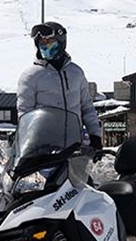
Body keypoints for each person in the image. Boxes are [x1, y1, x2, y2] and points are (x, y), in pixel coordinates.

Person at [17, 21, 103, 150]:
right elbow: (24, 113)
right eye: (42, 42)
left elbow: (87, 107)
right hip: (44, 146)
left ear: (61, 42)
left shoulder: (76, 73)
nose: (45, 46)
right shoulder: (30, 76)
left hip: (74, 143)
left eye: (50, 41)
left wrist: (95, 135)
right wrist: (28, 141)